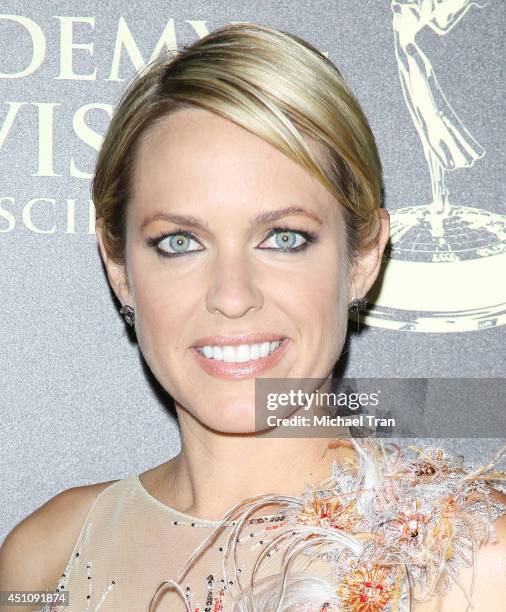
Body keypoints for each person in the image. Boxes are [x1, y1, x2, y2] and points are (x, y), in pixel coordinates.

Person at [1, 22, 504, 612]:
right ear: (118, 267)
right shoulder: (45, 558)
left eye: (284, 237)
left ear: (362, 258)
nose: (232, 295)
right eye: (180, 242)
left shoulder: (472, 562)